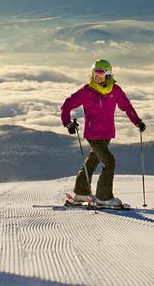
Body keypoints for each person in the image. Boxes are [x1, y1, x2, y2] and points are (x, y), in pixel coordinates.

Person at [60, 58, 145, 208]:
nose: (96, 77)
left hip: (107, 133)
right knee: (109, 162)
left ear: (108, 74)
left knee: (93, 160)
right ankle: (103, 198)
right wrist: (67, 123)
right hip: (93, 134)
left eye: (99, 74)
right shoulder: (87, 91)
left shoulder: (115, 90)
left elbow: (126, 106)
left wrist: (137, 121)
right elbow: (66, 105)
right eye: (94, 74)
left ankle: (81, 194)